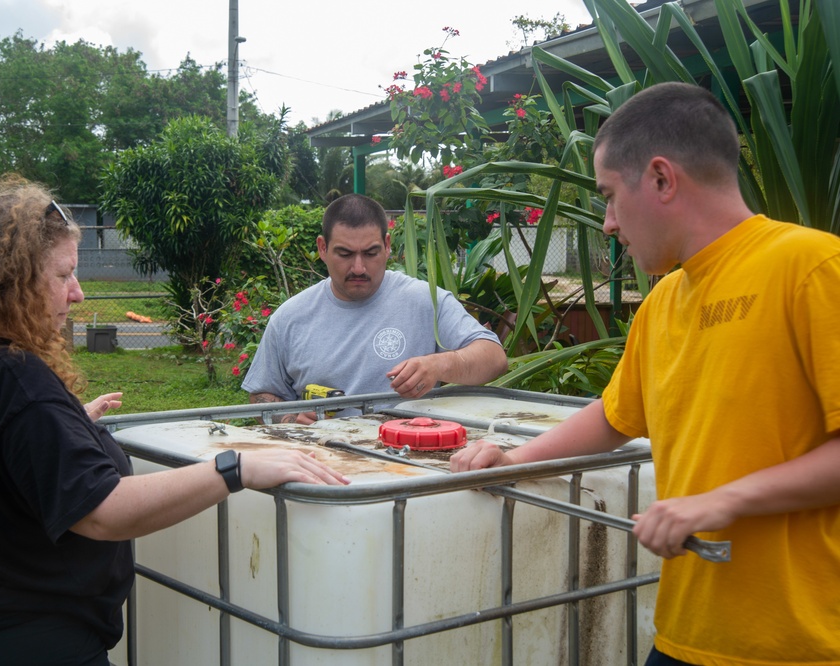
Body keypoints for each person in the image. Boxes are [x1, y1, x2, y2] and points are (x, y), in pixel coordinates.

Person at [451, 81, 840, 665]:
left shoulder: (812, 268)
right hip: (686, 634)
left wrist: (719, 502)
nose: (607, 222)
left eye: (609, 195)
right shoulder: (661, 304)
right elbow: (613, 416)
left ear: (661, 179)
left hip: (800, 644)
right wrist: (512, 460)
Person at [0, 184, 349, 666]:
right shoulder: (12, 377)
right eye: (63, 274)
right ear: (8, 283)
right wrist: (236, 468)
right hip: (24, 640)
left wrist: (62, 426)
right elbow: (103, 511)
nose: (78, 292)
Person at [242, 193, 508, 424]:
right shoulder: (290, 317)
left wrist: (439, 364)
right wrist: (290, 419)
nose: (358, 268)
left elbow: (494, 358)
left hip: (412, 460)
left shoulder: (425, 301)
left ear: (388, 246)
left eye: (370, 253)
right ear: (322, 248)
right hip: (321, 462)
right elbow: (261, 396)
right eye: (344, 254)